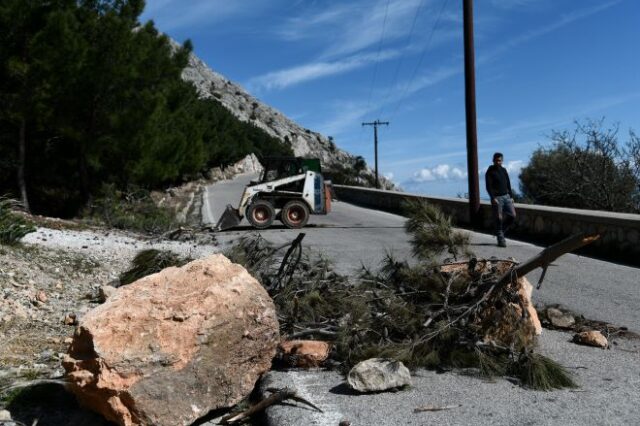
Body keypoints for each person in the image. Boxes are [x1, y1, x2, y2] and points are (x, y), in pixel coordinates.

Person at [485, 152, 516, 247]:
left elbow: (508, 183)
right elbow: (488, 186)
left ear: (502, 161)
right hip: (497, 198)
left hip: (506, 196)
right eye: (496, 160)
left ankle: (500, 232)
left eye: (500, 160)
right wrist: (492, 197)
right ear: (493, 160)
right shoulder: (490, 171)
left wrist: (511, 196)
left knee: (512, 215)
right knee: (498, 218)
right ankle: (501, 239)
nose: (498, 162)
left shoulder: (504, 170)